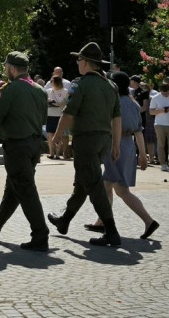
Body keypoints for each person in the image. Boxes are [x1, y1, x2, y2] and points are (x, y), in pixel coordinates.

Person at [47, 42, 123, 247]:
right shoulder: (111, 85)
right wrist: (116, 145)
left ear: (88, 63)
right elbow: (117, 118)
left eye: (79, 59)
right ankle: (65, 220)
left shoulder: (81, 84)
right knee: (84, 181)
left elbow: (68, 112)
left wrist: (57, 136)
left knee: (94, 185)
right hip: (104, 141)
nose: (78, 63)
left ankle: (111, 231)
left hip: (86, 140)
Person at [0, 51, 50, 251]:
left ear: (12, 68)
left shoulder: (10, 90)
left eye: (6, 67)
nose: (5, 70)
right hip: (34, 145)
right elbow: (43, 119)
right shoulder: (40, 90)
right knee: (14, 188)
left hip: (17, 145)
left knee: (25, 189)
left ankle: (40, 234)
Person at [84, 72, 159, 240]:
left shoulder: (114, 102)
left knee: (109, 187)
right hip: (127, 146)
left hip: (115, 146)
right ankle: (104, 221)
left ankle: (111, 224)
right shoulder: (133, 103)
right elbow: (138, 130)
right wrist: (143, 155)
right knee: (118, 189)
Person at [149, 82, 169, 172]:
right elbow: (151, 112)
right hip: (159, 124)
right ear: (160, 91)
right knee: (161, 144)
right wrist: (164, 110)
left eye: (167, 93)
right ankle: (163, 164)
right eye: (164, 93)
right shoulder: (155, 98)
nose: (165, 95)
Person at [46, 76, 69, 159]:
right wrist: (50, 101)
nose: (51, 82)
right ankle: (51, 153)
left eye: (52, 81)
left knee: (60, 135)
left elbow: (64, 102)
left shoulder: (65, 91)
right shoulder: (48, 91)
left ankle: (58, 154)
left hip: (60, 115)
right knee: (50, 135)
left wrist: (55, 103)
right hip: (50, 114)